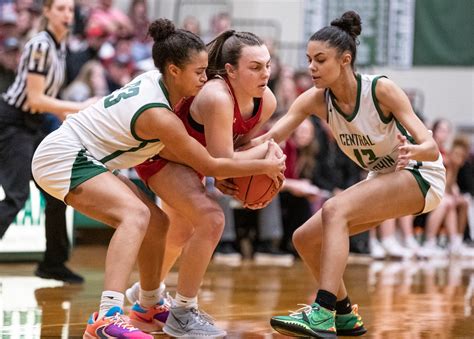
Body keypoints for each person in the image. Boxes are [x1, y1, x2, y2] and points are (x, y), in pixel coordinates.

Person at [32, 19, 285, 338]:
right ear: (174, 70)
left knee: (158, 224)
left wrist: (252, 157)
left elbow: (217, 159)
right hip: (64, 156)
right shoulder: (160, 115)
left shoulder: (159, 82)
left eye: (207, 70)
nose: (205, 78)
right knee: (135, 215)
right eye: (198, 72)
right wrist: (262, 166)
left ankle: (149, 304)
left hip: (87, 156)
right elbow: (211, 163)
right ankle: (107, 316)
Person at [249, 11, 445, 338]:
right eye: (309, 59)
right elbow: (270, 137)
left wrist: (415, 151)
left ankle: (322, 311)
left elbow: (432, 146)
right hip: (384, 178)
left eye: (320, 59)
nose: (311, 67)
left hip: (420, 173)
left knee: (334, 209)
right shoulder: (315, 100)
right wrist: (225, 154)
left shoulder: (381, 90)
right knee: (305, 238)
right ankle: (344, 314)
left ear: (345, 60)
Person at [124, 30, 283, 336]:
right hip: (162, 155)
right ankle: (182, 312)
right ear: (230, 71)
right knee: (211, 220)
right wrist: (266, 158)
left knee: (180, 232)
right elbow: (222, 161)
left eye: (267, 65)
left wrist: (246, 173)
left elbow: (233, 155)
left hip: (196, 161)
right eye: (255, 67)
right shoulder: (216, 96)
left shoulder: (268, 101)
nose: (265, 73)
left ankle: (146, 298)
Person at [0, 0, 96, 283]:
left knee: (57, 190)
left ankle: (53, 263)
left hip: (37, 124)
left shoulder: (60, 45)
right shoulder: (40, 45)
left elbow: (48, 100)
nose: (67, 15)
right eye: (61, 9)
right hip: (14, 122)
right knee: (17, 196)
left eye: (70, 10)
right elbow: (35, 99)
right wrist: (80, 107)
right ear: (46, 12)